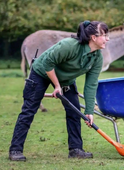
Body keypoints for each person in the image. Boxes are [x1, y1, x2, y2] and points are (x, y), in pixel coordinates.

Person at [9, 20, 109, 161]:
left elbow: (91, 85)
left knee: (74, 112)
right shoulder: (69, 45)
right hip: (41, 73)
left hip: (66, 81)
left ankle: (76, 149)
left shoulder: (97, 57)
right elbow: (47, 63)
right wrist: (57, 86)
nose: (107, 38)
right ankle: (15, 150)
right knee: (28, 111)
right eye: (105, 35)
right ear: (93, 37)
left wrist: (89, 111)